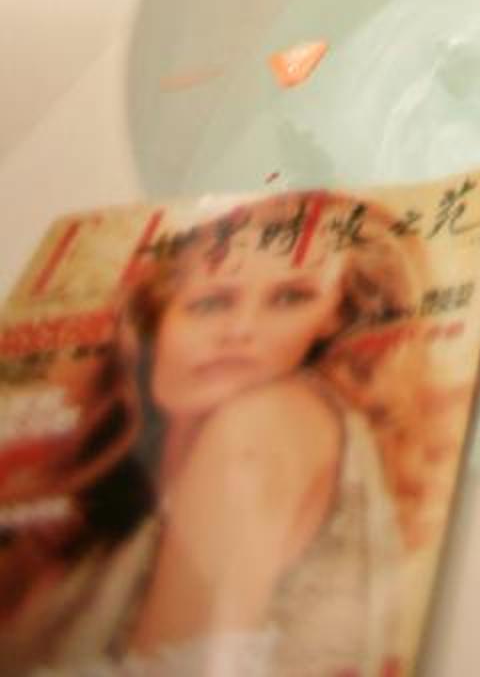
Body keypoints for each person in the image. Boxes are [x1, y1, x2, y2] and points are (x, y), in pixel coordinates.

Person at [0, 195, 417, 676]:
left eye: (290, 298)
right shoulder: (121, 502)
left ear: (334, 322)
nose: (240, 330)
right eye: (212, 302)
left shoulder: (264, 421)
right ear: (152, 325)